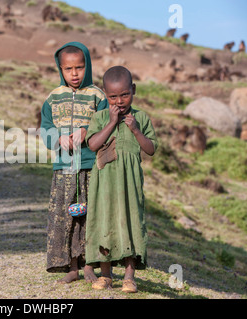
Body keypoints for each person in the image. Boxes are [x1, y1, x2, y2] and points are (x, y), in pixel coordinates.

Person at [85, 66, 158, 293]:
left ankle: (129, 277)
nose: (119, 101)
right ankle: (106, 276)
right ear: (105, 94)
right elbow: (93, 144)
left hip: (130, 185)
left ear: (133, 90)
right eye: (113, 96)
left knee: (131, 224)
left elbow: (151, 149)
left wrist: (136, 130)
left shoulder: (141, 118)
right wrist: (111, 123)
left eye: (124, 94)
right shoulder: (99, 117)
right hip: (104, 186)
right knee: (104, 224)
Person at [40, 42, 108, 284]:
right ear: (61, 69)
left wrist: (85, 130)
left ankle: (91, 264)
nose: (75, 73)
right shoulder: (53, 98)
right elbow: (45, 128)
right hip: (64, 167)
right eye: (69, 69)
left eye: (79, 67)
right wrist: (58, 137)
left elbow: (105, 125)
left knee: (91, 216)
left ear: (87, 65)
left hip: (92, 166)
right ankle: (71, 266)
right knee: (65, 216)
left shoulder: (98, 96)